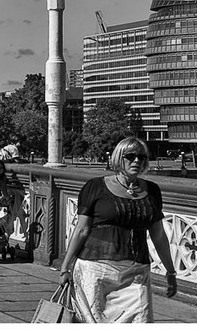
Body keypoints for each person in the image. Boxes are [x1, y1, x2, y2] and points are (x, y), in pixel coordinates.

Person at [58, 136, 178, 322]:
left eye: (142, 157)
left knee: (141, 319)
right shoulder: (95, 187)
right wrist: (65, 267)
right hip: (96, 270)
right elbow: (81, 230)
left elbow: (158, 234)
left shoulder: (152, 191)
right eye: (131, 156)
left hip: (136, 271)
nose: (137, 160)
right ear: (118, 158)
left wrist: (170, 272)